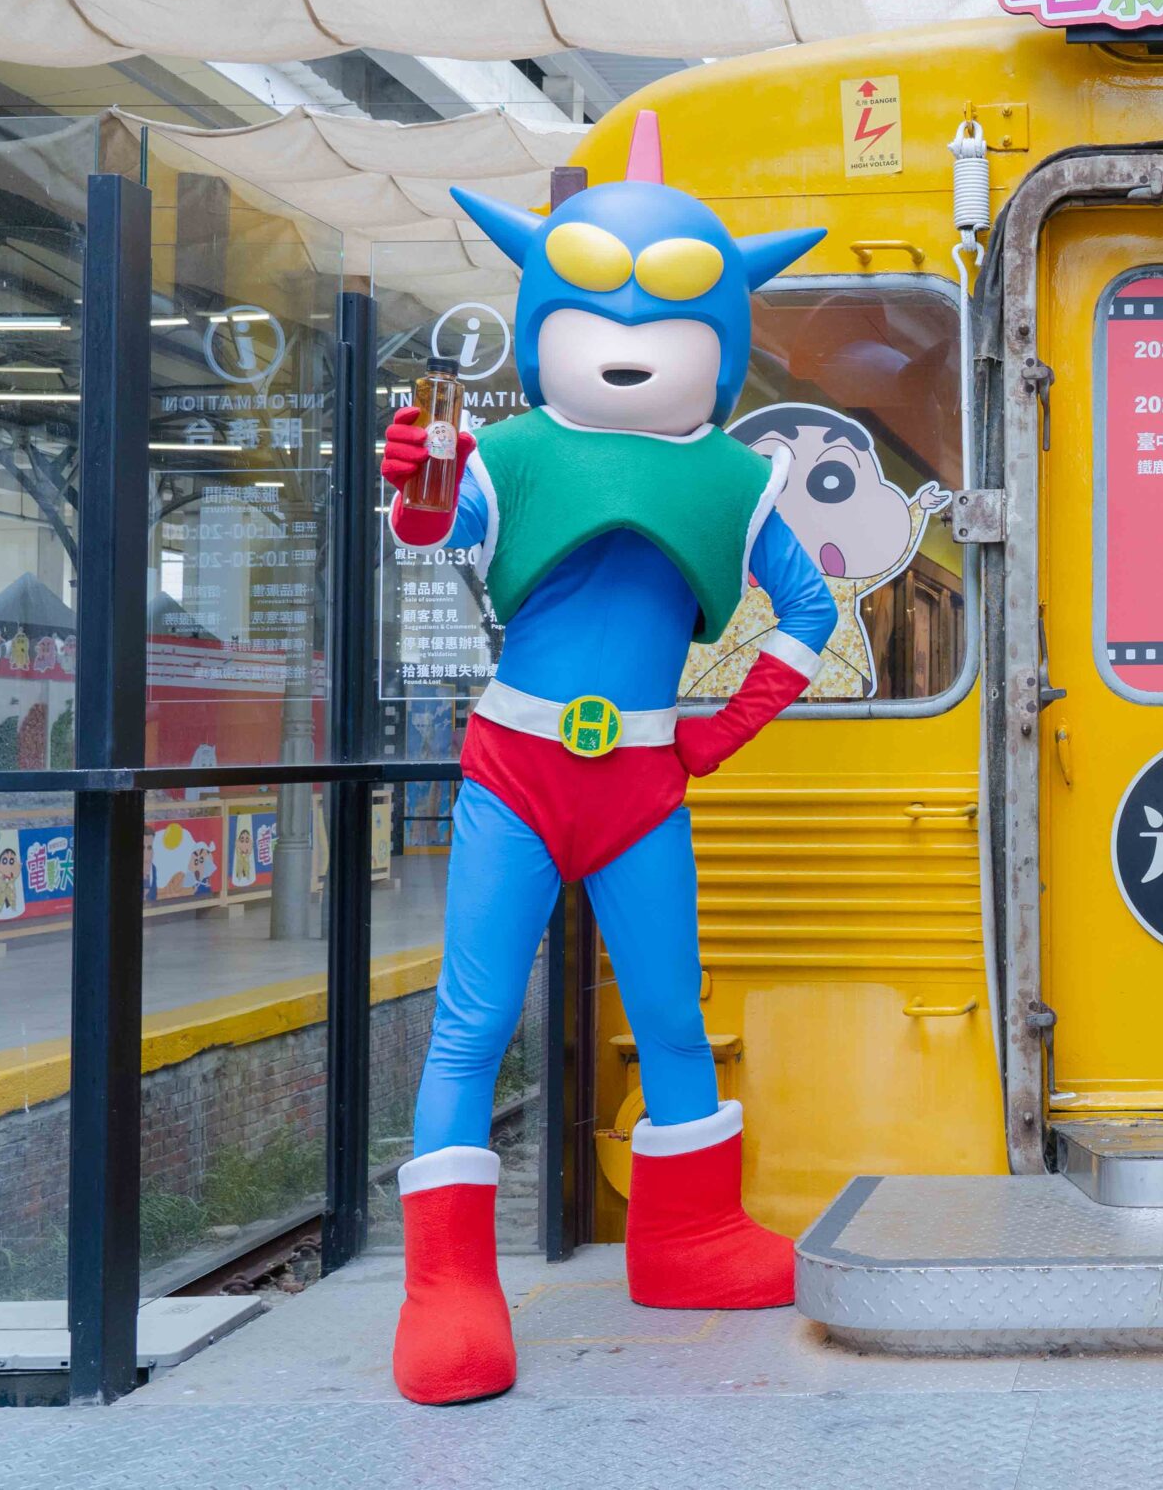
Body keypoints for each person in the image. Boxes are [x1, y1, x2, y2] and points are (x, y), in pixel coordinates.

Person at [380, 112, 840, 1405]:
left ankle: (688, 1238)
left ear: (722, 337)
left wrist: (718, 728)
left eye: (669, 320)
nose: (630, 344)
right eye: (597, 313)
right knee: (473, 1020)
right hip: (518, 768)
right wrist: (417, 478)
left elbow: (810, 610)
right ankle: (447, 1288)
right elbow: (433, 527)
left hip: (640, 780)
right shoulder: (514, 453)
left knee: (672, 1015)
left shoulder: (735, 479)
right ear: (545, 320)